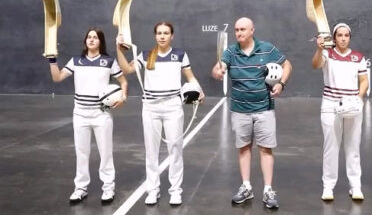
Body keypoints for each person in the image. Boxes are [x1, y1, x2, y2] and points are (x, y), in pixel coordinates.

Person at [116, 22, 204, 206]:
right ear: (155, 35)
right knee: (151, 151)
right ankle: (153, 190)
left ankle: (175, 191)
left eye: (166, 33)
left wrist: (199, 90)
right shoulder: (146, 55)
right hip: (150, 108)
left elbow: (190, 77)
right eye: (159, 33)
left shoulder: (180, 55)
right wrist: (119, 50)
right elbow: (127, 70)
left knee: (175, 150)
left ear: (172, 36)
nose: (162, 36)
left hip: (173, 107)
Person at [211, 17, 292, 209]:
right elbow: (218, 68)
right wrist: (217, 71)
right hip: (240, 110)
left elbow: (287, 65)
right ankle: (246, 187)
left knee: (266, 149)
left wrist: (281, 84)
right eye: (237, 30)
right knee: (244, 148)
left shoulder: (267, 49)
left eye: (243, 29)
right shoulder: (230, 52)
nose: (239, 33)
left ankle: (268, 190)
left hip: (264, 109)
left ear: (252, 30)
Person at [48, 28, 128, 204]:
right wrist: (52, 60)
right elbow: (57, 77)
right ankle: (80, 188)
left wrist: (123, 98)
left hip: (101, 114)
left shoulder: (108, 61)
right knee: (82, 152)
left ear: (100, 42)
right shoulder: (76, 61)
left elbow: (123, 81)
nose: (91, 40)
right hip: (80, 114)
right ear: (85, 41)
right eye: (89, 37)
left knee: (105, 153)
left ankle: (108, 188)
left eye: (95, 37)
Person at [311, 23, 369, 202]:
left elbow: (364, 80)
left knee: (353, 147)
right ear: (334, 38)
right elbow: (315, 65)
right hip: (330, 105)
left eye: (346, 35)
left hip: (352, 106)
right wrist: (319, 49)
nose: (343, 38)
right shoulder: (327, 53)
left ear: (349, 37)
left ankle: (355, 186)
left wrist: (358, 98)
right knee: (331, 148)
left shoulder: (358, 57)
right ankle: (328, 187)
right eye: (340, 35)